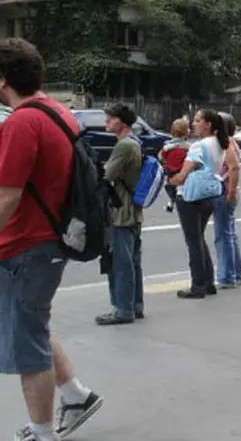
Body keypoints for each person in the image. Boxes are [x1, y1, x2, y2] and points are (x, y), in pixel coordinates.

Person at [0, 38, 102, 441]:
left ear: (4, 79)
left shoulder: (23, 122)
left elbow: (8, 194)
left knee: (29, 346)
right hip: (45, 242)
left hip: (27, 246)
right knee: (33, 326)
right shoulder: (58, 112)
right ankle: (76, 396)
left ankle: (42, 433)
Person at [168, 108, 228, 299]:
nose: (193, 124)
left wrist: (170, 180)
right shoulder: (219, 144)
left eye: (197, 120)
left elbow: (182, 176)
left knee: (193, 242)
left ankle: (198, 285)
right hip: (209, 196)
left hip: (190, 197)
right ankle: (208, 282)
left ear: (208, 124)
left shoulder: (198, 146)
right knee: (200, 239)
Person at [96, 103, 145, 326]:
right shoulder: (135, 142)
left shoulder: (124, 146)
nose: (106, 122)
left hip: (120, 211)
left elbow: (107, 175)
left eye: (110, 118)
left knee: (120, 262)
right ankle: (135, 305)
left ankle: (123, 309)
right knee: (133, 260)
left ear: (122, 122)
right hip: (133, 209)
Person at [215, 112, 241, 288]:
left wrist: (231, 191)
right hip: (228, 192)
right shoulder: (230, 143)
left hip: (224, 192)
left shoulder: (227, 145)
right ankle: (237, 272)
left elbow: (234, 168)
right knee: (229, 234)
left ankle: (226, 276)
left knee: (223, 236)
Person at [159, 118, 191, 213]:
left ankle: (171, 202)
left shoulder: (167, 146)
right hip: (182, 169)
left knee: (168, 185)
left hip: (169, 170)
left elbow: (161, 157)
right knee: (181, 187)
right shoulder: (188, 146)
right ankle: (178, 201)